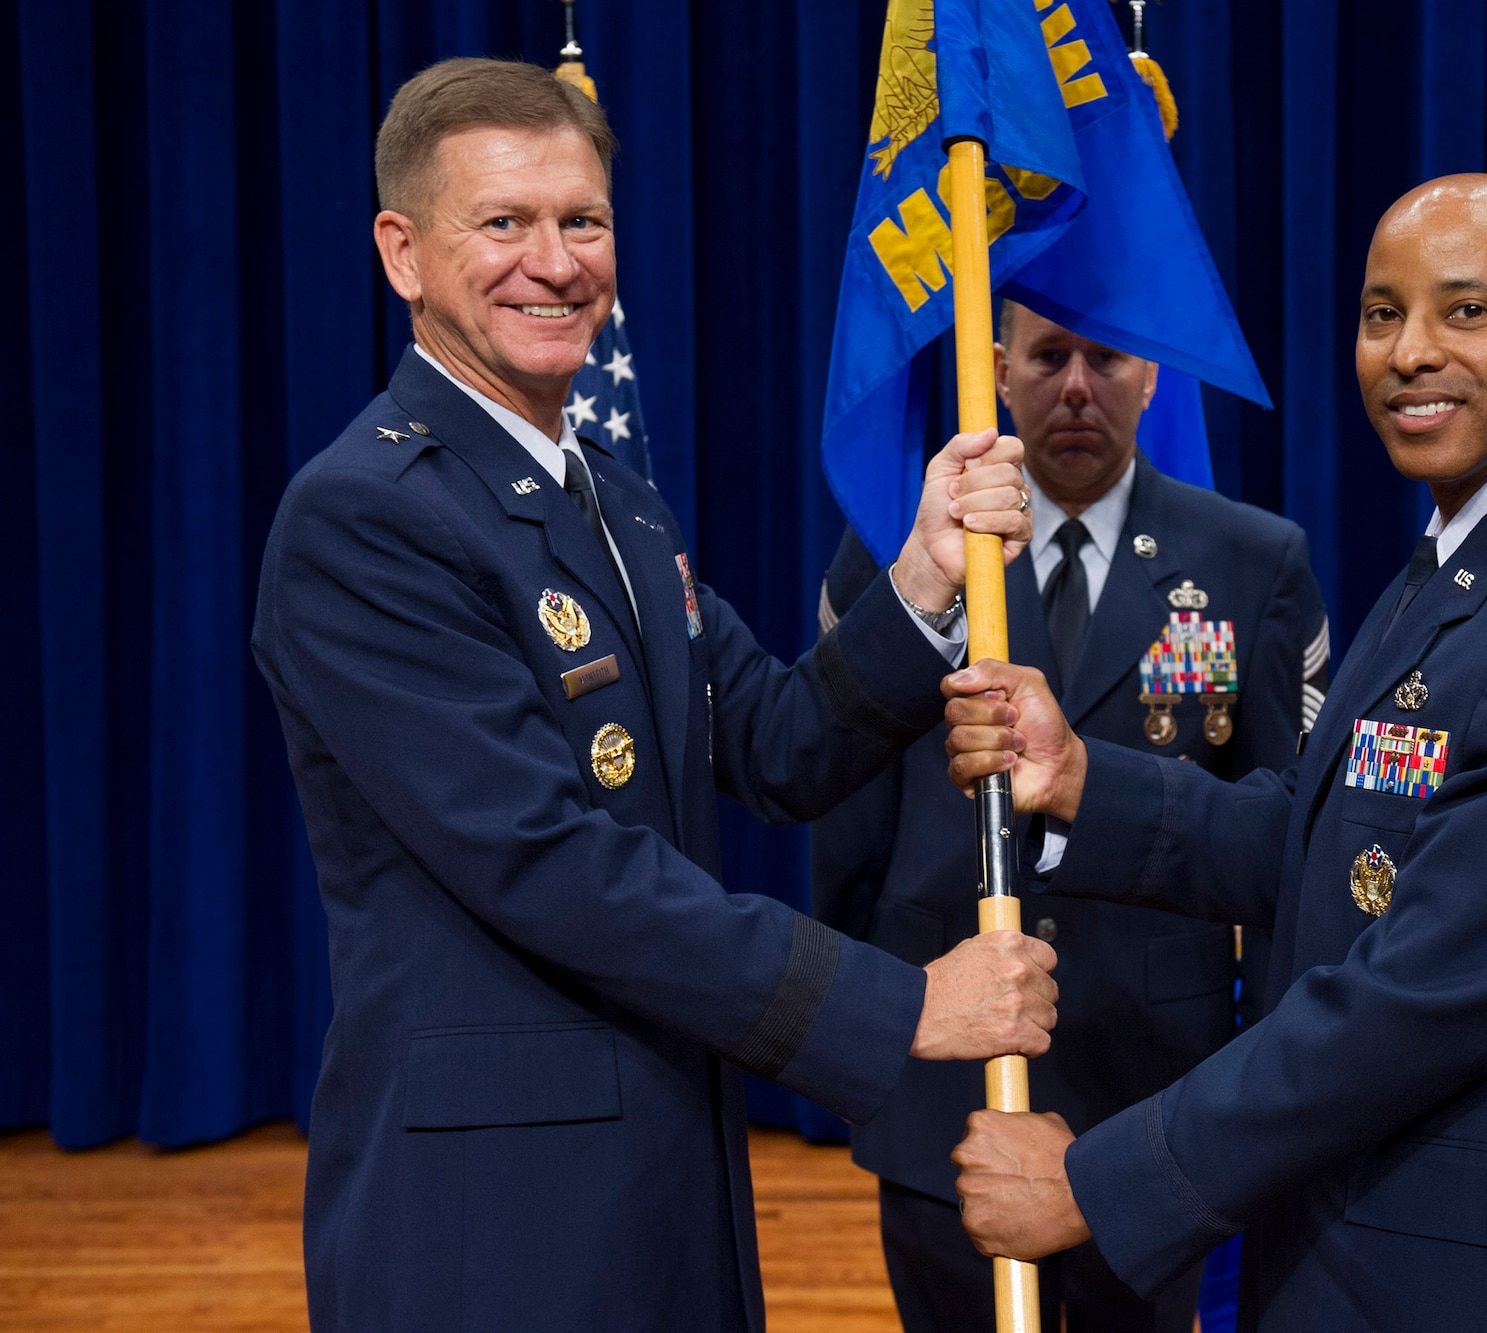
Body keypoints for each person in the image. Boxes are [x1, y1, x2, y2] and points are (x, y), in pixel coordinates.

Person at [251, 59, 1056, 1333]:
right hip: (499, 1204)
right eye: (502, 223)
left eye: (583, 221)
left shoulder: (612, 496)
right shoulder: (366, 518)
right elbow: (549, 862)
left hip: (663, 1145)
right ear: (403, 254)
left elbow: (777, 745)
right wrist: (902, 1003)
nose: (555, 262)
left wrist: (923, 572)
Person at [941, 175, 1487, 1331]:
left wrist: (1092, 1184)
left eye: (1464, 312)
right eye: (1382, 314)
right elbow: (1341, 844)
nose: (1410, 352)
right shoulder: (1469, 554)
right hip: (1375, 1250)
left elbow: (1422, 990)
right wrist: (1076, 776)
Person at [812, 302, 1329, 1332]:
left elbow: (1287, 832)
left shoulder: (1248, 560)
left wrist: (1267, 1080)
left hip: (1147, 1093)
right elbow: (845, 813)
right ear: (999, 371)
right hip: (940, 1092)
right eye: (1049, 357)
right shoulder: (907, 546)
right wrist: (861, 1031)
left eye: (1104, 356)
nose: (1077, 386)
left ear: (1150, 375)